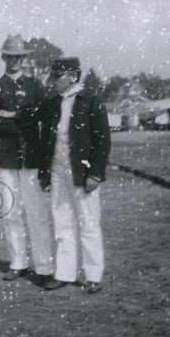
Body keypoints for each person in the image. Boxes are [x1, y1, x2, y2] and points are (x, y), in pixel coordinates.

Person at [31, 56, 111, 293]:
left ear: (73, 77)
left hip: (82, 172)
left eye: (58, 76)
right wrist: (44, 174)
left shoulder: (91, 101)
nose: (53, 80)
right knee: (62, 222)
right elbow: (46, 139)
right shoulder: (52, 103)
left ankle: (93, 275)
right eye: (53, 75)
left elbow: (102, 141)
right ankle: (64, 273)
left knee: (89, 223)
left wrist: (94, 173)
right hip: (58, 170)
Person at [0, 34, 53, 284]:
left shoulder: (35, 86)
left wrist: (9, 115)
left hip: (31, 156)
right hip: (5, 158)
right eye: (10, 56)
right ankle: (18, 263)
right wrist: (22, 118)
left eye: (18, 57)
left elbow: (43, 116)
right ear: (3, 57)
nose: (14, 61)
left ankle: (44, 267)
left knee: (36, 213)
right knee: (9, 212)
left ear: (24, 59)